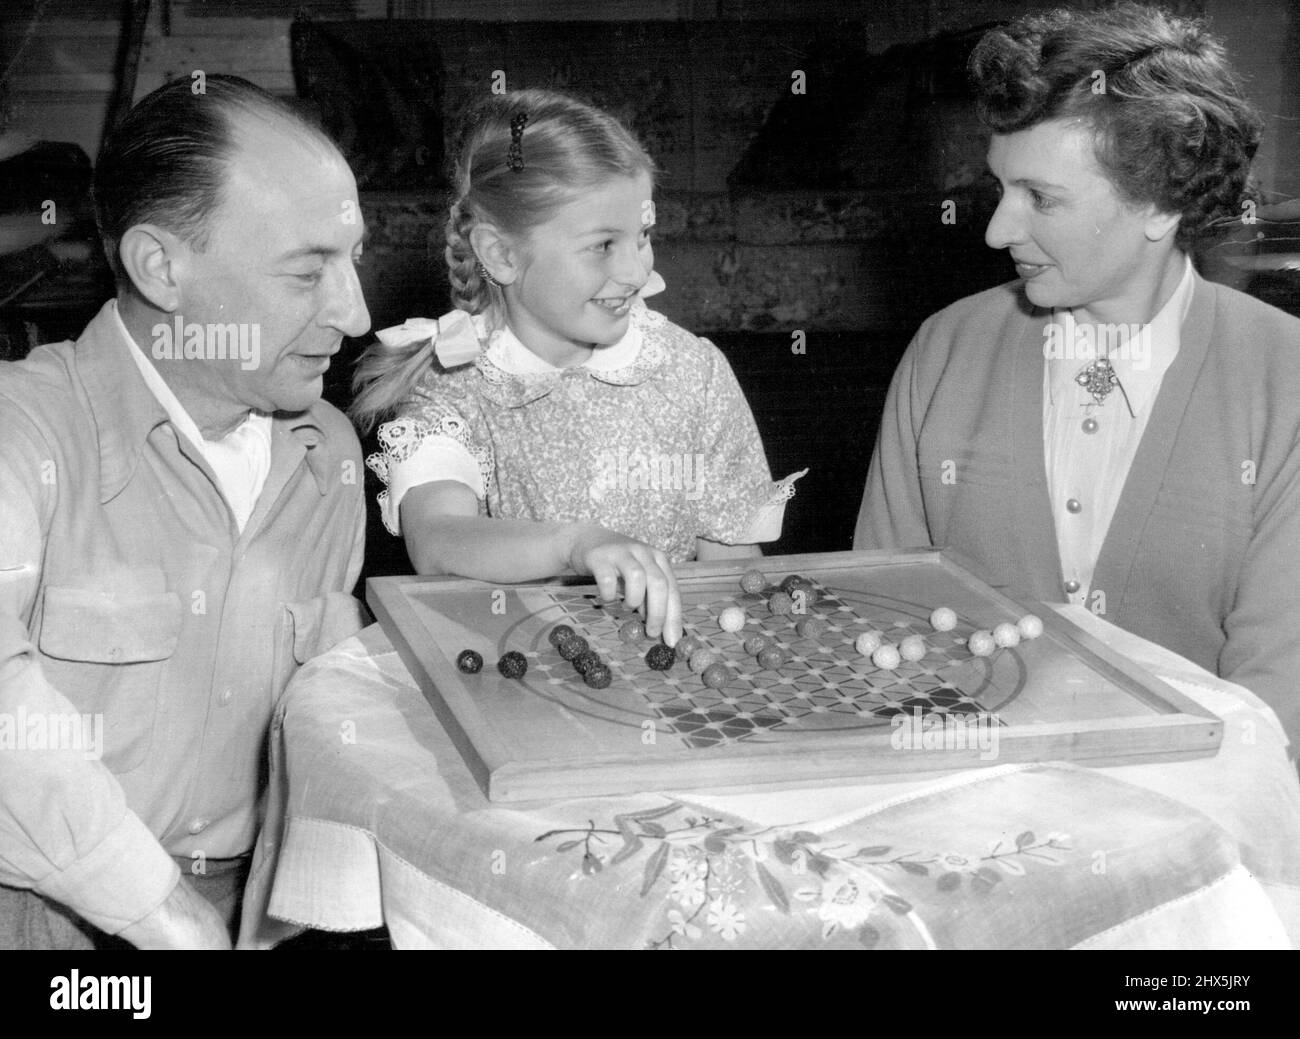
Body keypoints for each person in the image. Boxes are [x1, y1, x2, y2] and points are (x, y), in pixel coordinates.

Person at [855, 3, 1300, 745]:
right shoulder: (945, 350)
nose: (999, 230)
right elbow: (880, 630)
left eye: (1043, 198)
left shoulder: (1283, 379)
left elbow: (1277, 702)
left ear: (1159, 202)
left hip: (1203, 816)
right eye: (1000, 187)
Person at [0, 74, 370, 949]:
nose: (353, 313)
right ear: (162, 267)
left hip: (251, 903)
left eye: (351, 262)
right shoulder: (23, 437)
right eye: (308, 271)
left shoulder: (330, 454)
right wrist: (168, 920)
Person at [352, 89, 803, 647]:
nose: (637, 270)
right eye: (603, 245)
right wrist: (574, 544)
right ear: (501, 254)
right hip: (524, 662)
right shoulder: (455, 381)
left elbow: (731, 563)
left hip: (675, 661)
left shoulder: (692, 370)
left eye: (643, 236)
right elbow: (438, 541)